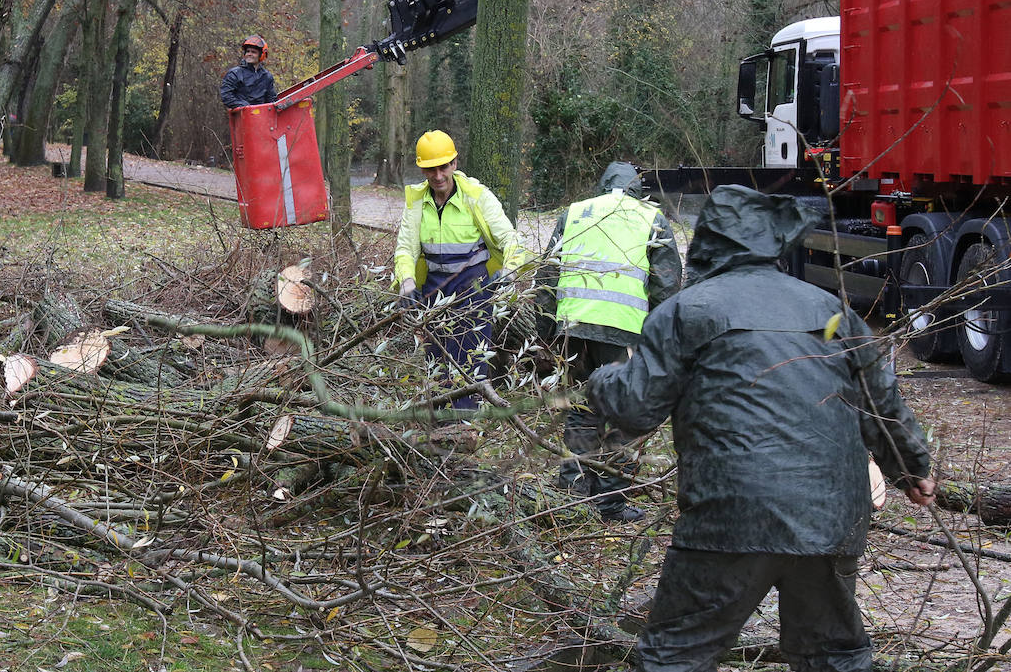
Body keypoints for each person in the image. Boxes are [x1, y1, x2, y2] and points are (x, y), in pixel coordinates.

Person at [587, 185, 936, 672]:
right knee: (834, 656)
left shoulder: (688, 311)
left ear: (707, 241)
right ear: (775, 243)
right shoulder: (833, 314)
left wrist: (601, 379)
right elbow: (881, 400)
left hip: (729, 516)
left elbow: (634, 410)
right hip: (830, 515)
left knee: (676, 655)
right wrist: (911, 468)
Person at [537, 162, 681, 522]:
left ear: (602, 185)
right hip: (623, 333)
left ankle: (573, 493)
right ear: (637, 187)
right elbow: (667, 288)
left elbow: (547, 276)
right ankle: (611, 501)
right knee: (623, 413)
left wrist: (545, 331)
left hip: (572, 328)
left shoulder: (574, 213)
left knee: (579, 408)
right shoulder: (651, 218)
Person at [394, 130, 529, 411]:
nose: (438, 175)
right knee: (438, 357)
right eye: (431, 169)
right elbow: (405, 249)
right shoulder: (417, 201)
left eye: (443, 167)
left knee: (470, 355)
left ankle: (465, 422)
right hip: (433, 287)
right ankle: (442, 418)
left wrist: (510, 272)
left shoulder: (477, 196)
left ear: (454, 164)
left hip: (474, 287)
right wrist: (406, 282)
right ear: (422, 169)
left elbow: (511, 239)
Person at [219, 34, 277, 109]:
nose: (249, 54)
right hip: (242, 116)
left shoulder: (267, 76)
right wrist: (245, 106)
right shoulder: (234, 74)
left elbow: (271, 100)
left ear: (261, 55)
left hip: (262, 117)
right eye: (248, 51)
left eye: (253, 52)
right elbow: (226, 96)